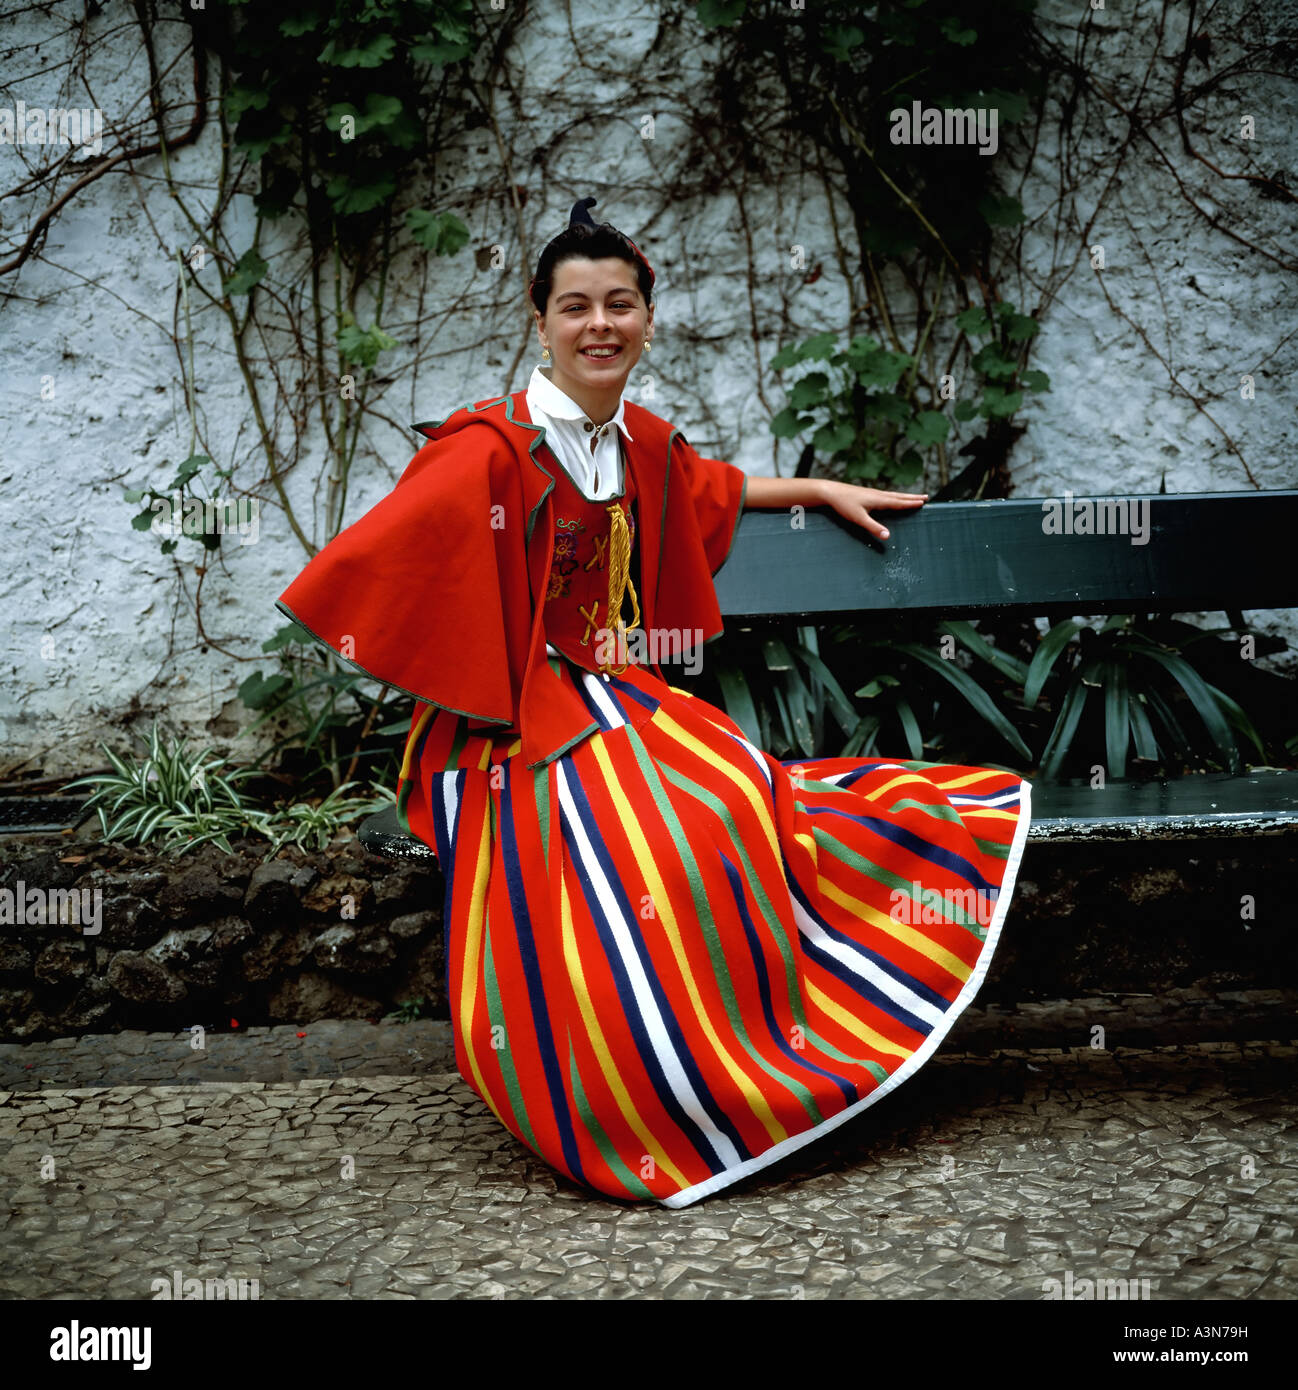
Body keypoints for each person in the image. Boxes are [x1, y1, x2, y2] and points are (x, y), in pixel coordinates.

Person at [276, 197, 1033, 1209]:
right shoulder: (487, 450)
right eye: (575, 305)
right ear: (538, 322)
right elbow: (375, 569)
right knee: (630, 837)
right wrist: (484, 664)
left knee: (732, 801)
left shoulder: (634, 441)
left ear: (644, 318)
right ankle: (633, 1097)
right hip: (505, 726)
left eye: (620, 304)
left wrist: (812, 490)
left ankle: (754, 1057)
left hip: (611, 694)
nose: (600, 324)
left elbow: (707, 484)